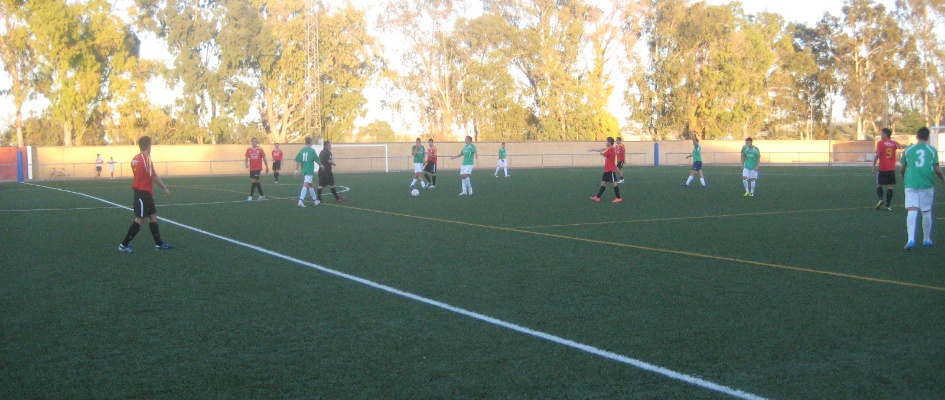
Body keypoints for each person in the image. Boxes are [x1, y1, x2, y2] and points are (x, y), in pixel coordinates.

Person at [118, 136, 172, 252]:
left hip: (145, 193)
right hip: (142, 193)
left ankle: (159, 244)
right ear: (149, 145)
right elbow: (153, 176)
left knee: (152, 217)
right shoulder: (146, 158)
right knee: (140, 219)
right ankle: (124, 245)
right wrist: (164, 188)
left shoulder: (135, 159)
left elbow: (143, 176)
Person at [900, 127, 945, 250]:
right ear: (928, 137)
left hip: (911, 183)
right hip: (927, 183)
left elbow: (902, 168)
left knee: (912, 210)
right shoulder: (932, 150)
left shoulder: (908, 150)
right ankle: (926, 239)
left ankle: (910, 240)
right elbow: (937, 169)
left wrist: (904, 177)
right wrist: (942, 178)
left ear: (917, 136)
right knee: (926, 211)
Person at [873, 128, 903, 210]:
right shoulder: (893, 143)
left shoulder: (880, 143)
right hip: (891, 168)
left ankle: (881, 199)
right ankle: (888, 205)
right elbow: (901, 147)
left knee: (879, 184)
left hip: (882, 168)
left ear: (885, 134)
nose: (881, 135)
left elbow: (878, 154)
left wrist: (873, 164)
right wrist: (896, 143)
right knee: (890, 186)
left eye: (881, 133)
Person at [588, 137, 622, 203]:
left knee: (614, 183)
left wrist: (593, 150)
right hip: (607, 170)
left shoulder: (611, 149)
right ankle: (598, 197)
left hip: (610, 170)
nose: (605, 143)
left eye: (606, 141)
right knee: (603, 183)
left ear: (609, 142)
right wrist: (593, 149)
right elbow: (602, 149)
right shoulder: (610, 149)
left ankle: (618, 198)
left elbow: (602, 152)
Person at [294, 137, 321, 207]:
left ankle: (315, 201)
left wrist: (296, 170)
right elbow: (317, 160)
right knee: (306, 184)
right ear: (311, 142)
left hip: (304, 170)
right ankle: (300, 201)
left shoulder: (302, 150)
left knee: (310, 185)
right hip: (309, 170)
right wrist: (322, 166)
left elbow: (297, 161)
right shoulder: (312, 150)